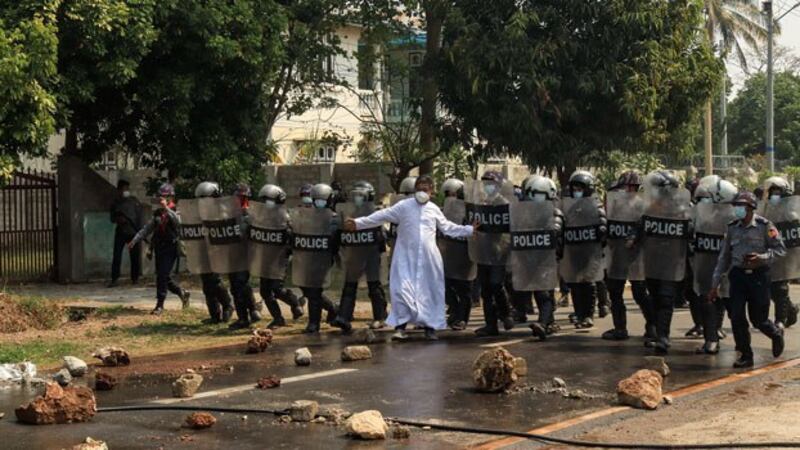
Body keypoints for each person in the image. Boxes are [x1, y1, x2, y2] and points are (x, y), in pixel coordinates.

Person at [344, 175, 476, 340]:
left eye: (426, 189)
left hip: (429, 260)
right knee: (402, 291)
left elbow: (447, 227)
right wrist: (358, 223)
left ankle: (430, 329)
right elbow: (381, 216)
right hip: (405, 258)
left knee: (429, 292)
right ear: (415, 190)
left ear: (432, 191)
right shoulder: (403, 207)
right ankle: (400, 328)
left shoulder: (434, 209)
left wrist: (469, 230)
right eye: (419, 188)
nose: (422, 191)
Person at [710, 191, 786, 368]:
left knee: (758, 319)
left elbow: (780, 250)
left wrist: (762, 257)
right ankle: (745, 354)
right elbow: (724, 258)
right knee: (736, 316)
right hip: (738, 277)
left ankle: (775, 334)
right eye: (736, 206)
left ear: (751, 208)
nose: (738, 210)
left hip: (759, 276)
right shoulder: (731, 227)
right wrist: (714, 285)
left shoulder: (765, 226)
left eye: (741, 207)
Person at [630, 171, 692, 354]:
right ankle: (657, 333)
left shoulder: (683, 209)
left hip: (672, 262)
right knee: (656, 298)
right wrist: (632, 239)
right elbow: (640, 228)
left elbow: (692, 230)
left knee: (666, 299)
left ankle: (663, 337)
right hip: (652, 261)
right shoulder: (650, 209)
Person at [331, 180, 388, 333]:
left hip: (371, 255)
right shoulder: (348, 214)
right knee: (349, 286)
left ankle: (380, 317)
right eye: (355, 195)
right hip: (354, 254)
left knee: (374, 287)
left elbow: (383, 236)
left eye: (361, 196)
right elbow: (340, 233)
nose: (357, 199)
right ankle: (344, 317)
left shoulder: (376, 213)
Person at [690, 177, 737, 354]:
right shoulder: (701, 216)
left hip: (730, 271)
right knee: (707, 300)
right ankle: (711, 339)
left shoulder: (735, 221)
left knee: (733, 306)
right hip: (706, 266)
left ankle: (742, 344)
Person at [128, 183, 190, 315]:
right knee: (163, 276)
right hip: (159, 248)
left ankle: (160, 305)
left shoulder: (175, 211)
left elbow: (178, 223)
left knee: (162, 275)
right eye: (161, 196)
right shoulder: (157, 213)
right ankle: (181, 292)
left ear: (171, 197)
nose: (162, 198)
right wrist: (135, 240)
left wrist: (166, 208)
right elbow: (147, 229)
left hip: (171, 247)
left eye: (165, 196)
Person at [602, 171, 649, 341]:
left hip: (636, 255)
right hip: (617, 255)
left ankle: (652, 326)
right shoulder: (616, 205)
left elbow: (645, 229)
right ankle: (620, 328)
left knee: (639, 293)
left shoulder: (642, 206)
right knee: (615, 292)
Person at [470, 171, 515, 336]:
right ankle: (491, 325)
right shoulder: (481, 205)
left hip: (499, 253)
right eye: (486, 183)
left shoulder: (504, 204)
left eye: (492, 183)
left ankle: (506, 314)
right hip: (483, 252)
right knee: (486, 290)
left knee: (497, 285)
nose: (488, 186)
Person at [560, 170, 607, 329]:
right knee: (575, 284)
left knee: (588, 283)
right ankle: (579, 314)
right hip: (573, 251)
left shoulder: (596, 206)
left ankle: (588, 315)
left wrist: (601, 231)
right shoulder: (569, 207)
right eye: (574, 188)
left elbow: (603, 226)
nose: (576, 191)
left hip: (590, 251)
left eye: (580, 188)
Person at [291, 183, 340, 333]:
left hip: (324, 257)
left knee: (314, 289)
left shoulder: (334, 218)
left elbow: (336, 239)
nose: (319, 202)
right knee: (307, 289)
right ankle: (332, 308)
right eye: (317, 199)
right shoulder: (306, 216)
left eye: (323, 199)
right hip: (307, 256)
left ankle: (314, 324)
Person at [255, 184, 304, 329]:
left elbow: (292, 238)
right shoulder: (260, 217)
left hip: (279, 257)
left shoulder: (286, 218)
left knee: (276, 288)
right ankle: (278, 318)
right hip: (265, 257)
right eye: (263, 200)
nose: (265, 203)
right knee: (265, 290)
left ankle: (294, 302)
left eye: (268, 200)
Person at [437, 178, 477, 330]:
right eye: (447, 194)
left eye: (452, 194)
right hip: (447, 256)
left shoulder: (470, 211)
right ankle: (454, 312)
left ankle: (462, 319)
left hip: (465, 257)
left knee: (464, 290)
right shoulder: (442, 212)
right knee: (446, 287)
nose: (450, 197)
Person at [192, 181, 234, 324]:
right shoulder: (200, 211)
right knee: (206, 283)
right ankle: (214, 315)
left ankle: (228, 305)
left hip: (217, 249)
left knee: (214, 281)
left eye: (205, 197)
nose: (202, 201)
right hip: (203, 249)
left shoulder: (221, 211)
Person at [762, 176, 800, 329]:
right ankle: (791, 310)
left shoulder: (791, 213)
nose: (773, 196)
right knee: (772, 287)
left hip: (787, 255)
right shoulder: (767, 210)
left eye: (777, 192)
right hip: (772, 253)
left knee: (780, 286)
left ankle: (780, 320)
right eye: (771, 193)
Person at [109, 180, 143, 287]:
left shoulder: (134, 201)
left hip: (133, 232)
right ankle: (114, 278)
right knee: (117, 255)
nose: (126, 191)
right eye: (124, 189)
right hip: (121, 232)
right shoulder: (115, 202)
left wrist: (140, 231)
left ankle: (135, 278)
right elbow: (112, 218)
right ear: (119, 190)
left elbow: (139, 217)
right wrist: (119, 219)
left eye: (127, 189)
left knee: (135, 256)